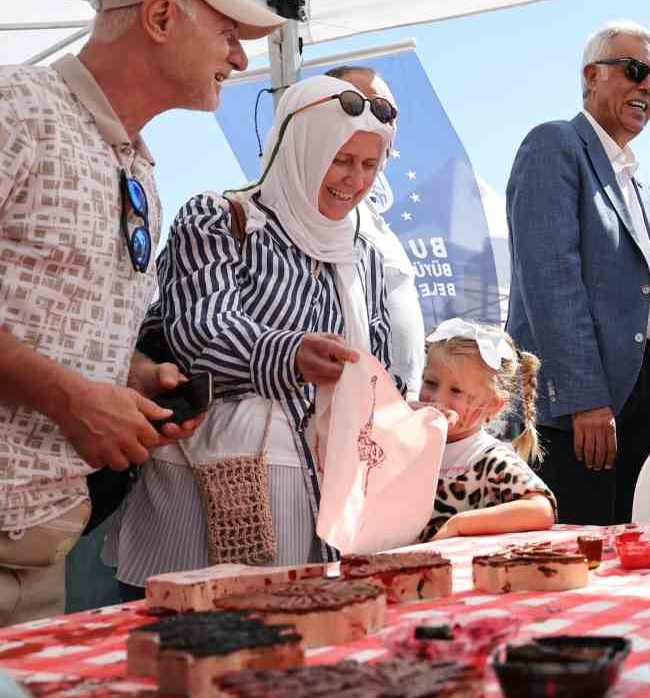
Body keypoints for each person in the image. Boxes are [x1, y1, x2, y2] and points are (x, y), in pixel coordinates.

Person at [0, 0, 282, 623]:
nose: (240, 58)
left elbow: (49, 315)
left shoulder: (139, 171)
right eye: (226, 33)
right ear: (160, 19)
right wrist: (71, 399)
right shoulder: (16, 110)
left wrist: (130, 377)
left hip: (40, 548)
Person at [109, 75, 398, 594]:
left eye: (368, 165)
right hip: (215, 481)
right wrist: (288, 353)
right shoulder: (220, 219)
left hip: (325, 494)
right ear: (298, 149)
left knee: (304, 638)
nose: (354, 180)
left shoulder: (365, 259)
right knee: (195, 636)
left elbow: (377, 367)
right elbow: (201, 331)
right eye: (340, 160)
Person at [505, 21, 650, 526]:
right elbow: (552, 281)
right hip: (581, 411)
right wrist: (585, 399)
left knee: (637, 553)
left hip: (642, 398)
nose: (647, 87)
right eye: (635, 70)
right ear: (592, 75)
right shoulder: (555, 145)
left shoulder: (635, 177)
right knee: (583, 557)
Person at [326, 64, 427, 399]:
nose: (374, 119)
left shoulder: (373, 218)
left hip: (395, 410)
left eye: (386, 112)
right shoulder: (282, 213)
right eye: (357, 105)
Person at [415, 319, 555, 540]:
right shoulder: (410, 442)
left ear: (493, 404)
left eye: (457, 391)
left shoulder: (487, 457)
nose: (437, 398)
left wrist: (458, 525)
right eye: (430, 383)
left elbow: (541, 510)